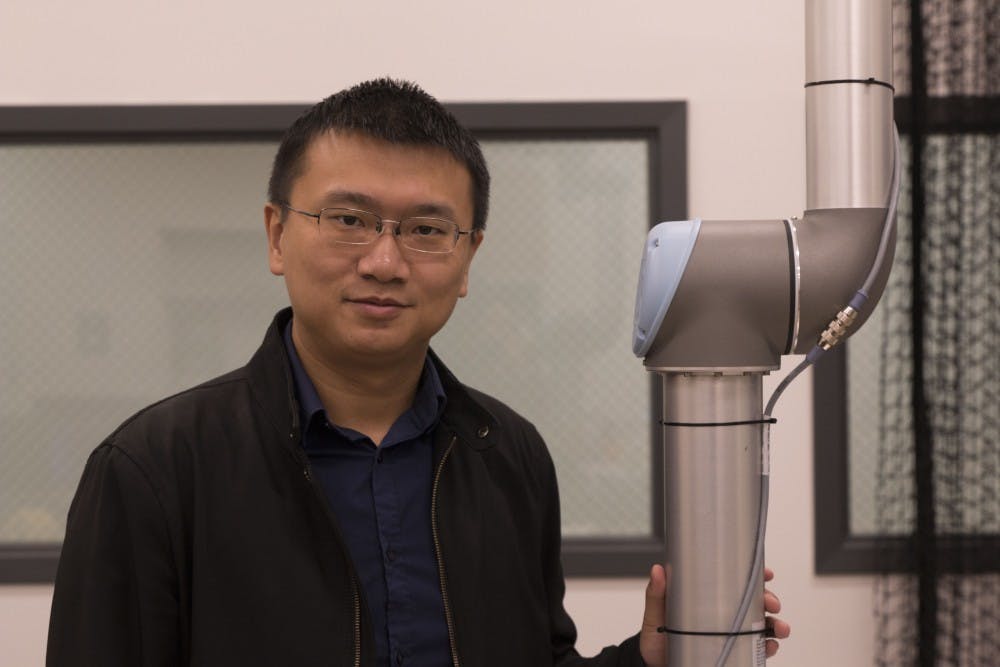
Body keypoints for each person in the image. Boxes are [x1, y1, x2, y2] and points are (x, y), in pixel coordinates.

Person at [46, 78, 789, 666]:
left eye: (427, 230)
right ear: (277, 235)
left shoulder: (508, 453)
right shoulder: (152, 469)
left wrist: (648, 658)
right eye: (349, 220)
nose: (384, 260)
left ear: (467, 258)